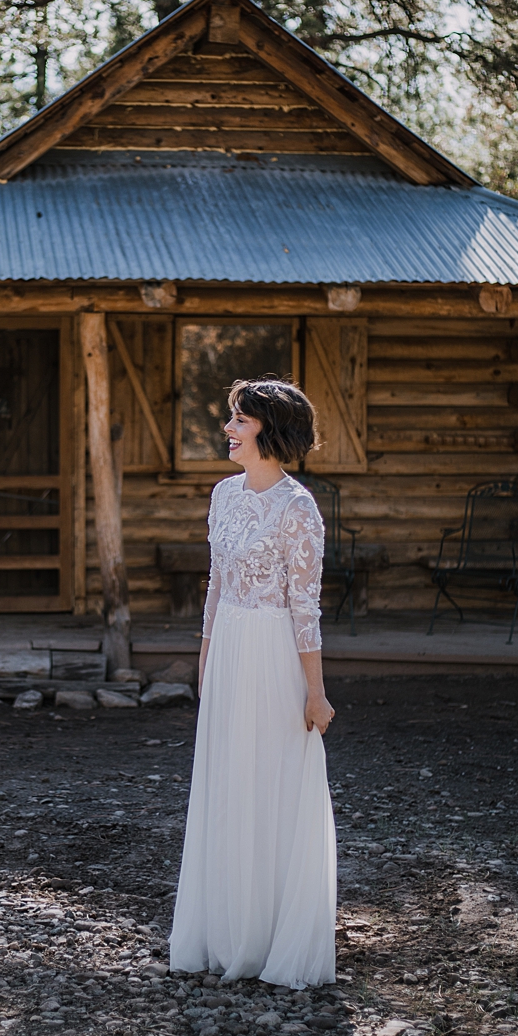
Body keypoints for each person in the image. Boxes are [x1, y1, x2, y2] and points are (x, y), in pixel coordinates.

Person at [169, 377, 337, 988]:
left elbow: (306, 607)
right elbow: (215, 584)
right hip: (231, 648)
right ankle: (224, 931)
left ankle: (269, 939)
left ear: (268, 429)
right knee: (227, 780)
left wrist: (315, 692)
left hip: (273, 655)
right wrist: (206, 661)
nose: (228, 430)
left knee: (270, 781)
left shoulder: (299, 510)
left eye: (238, 420)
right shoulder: (222, 495)